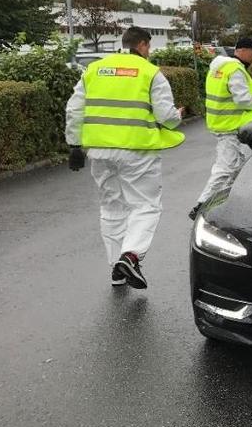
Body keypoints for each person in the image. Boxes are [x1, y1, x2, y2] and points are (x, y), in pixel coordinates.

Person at [65, 27, 185, 289]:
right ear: (142, 45)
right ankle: (130, 256)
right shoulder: (150, 72)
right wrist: (178, 115)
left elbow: (74, 109)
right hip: (137, 150)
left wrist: (74, 145)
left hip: (99, 151)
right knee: (145, 206)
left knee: (111, 207)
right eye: (149, 47)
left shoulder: (95, 69)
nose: (149, 52)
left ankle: (116, 270)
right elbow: (165, 116)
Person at [189, 38, 252, 219]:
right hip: (230, 126)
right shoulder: (235, 70)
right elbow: (242, 99)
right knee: (226, 168)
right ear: (242, 50)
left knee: (237, 166)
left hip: (222, 124)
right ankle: (201, 205)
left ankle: (225, 204)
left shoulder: (218, 67)